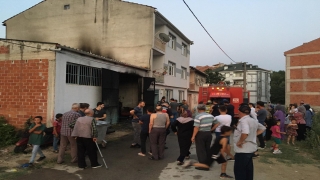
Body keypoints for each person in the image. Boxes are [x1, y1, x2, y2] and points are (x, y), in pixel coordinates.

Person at [233, 103, 266, 180]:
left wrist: (240, 141)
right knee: (248, 171)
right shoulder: (253, 120)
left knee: (240, 172)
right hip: (250, 149)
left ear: (240, 112)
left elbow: (245, 132)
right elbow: (263, 128)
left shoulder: (243, 121)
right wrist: (254, 135)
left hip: (242, 150)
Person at [191, 104, 219, 170]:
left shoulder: (198, 116)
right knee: (207, 148)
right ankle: (207, 163)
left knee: (200, 149)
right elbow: (217, 123)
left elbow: (196, 127)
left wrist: (193, 136)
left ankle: (202, 165)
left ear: (198, 109)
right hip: (208, 133)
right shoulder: (211, 116)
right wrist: (211, 129)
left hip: (201, 133)